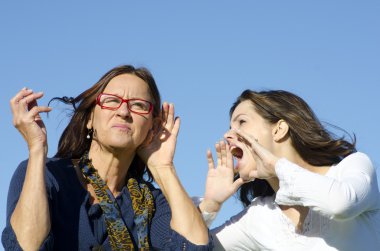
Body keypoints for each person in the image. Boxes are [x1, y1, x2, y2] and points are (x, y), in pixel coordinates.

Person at [3, 65, 211, 250]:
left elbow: (194, 246)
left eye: (138, 105)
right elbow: (26, 246)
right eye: (112, 101)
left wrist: (163, 167)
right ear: (90, 119)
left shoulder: (152, 203)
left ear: (152, 127)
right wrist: (37, 150)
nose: (123, 111)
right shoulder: (46, 174)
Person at [199, 89, 380, 250]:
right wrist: (210, 205)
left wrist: (276, 167)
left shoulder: (353, 167)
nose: (228, 135)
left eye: (242, 122)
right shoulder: (260, 215)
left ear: (279, 130)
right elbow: (190, 247)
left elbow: (340, 204)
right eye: (230, 127)